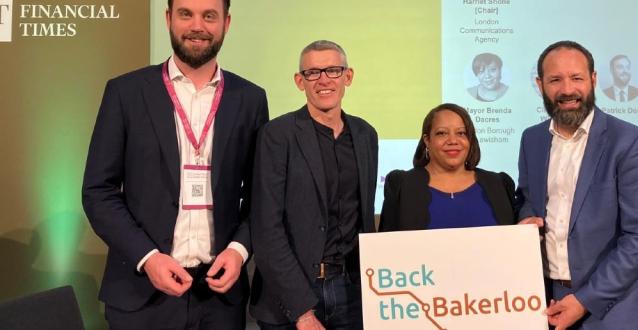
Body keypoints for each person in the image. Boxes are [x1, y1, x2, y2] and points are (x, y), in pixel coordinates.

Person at [81, 0, 269, 328]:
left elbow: (260, 197)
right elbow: (98, 192)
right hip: (141, 296)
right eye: (186, 14)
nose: (197, 25)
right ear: (168, 18)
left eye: (209, 16)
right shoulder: (125, 92)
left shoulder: (250, 99)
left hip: (219, 299)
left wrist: (239, 250)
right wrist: (148, 258)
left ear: (227, 22)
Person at [517, 40, 638, 329]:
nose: (567, 90)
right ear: (540, 84)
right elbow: (528, 198)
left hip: (615, 310)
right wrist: (525, 219)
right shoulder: (531, 139)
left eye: (577, 78)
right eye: (555, 80)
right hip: (546, 304)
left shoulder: (631, 142)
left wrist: (584, 300)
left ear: (593, 80)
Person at [249, 40, 378, 330]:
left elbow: (364, 219)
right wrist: (302, 311)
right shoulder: (277, 135)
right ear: (299, 81)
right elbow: (266, 229)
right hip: (290, 299)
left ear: (348, 76)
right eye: (312, 73)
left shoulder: (366, 134)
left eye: (332, 70)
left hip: (352, 293)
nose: (323, 80)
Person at [379, 103, 521, 231]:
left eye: (461, 133)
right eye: (442, 133)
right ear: (427, 140)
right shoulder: (401, 186)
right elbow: (385, 250)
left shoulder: (499, 184)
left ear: (470, 139)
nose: (453, 140)